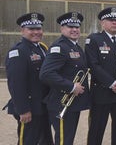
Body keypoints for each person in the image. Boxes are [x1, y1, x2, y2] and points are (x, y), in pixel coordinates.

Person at [39, 12, 90, 145]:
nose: (74, 30)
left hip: (72, 104)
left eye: (77, 27)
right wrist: (72, 87)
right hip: (61, 103)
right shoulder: (59, 47)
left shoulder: (76, 46)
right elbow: (46, 74)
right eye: (70, 27)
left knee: (68, 139)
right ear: (62, 29)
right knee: (63, 140)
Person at [4, 12, 53, 145]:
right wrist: (23, 109)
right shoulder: (18, 52)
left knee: (46, 140)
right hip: (30, 108)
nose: (36, 32)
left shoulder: (42, 48)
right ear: (22, 31)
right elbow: (16, 84)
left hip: (43, 106)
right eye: (31, 29)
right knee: (28, 140)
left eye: (38, 28)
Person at [85, 7, 116, 145]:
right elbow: (93, 65)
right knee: (96, 129)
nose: (114, 23)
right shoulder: (94, 39)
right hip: (101, 93)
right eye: (110, 20)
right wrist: (112, 83)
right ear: (102, 23)